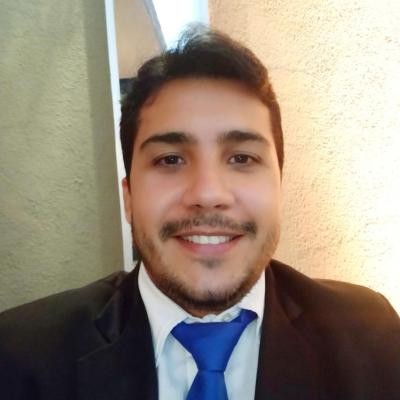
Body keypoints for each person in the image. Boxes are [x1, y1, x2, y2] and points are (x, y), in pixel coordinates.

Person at [1, 25, 399, 400]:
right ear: (128, 196)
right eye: (170, 160)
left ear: (280, 187)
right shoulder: (20, 357)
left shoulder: (373, 338)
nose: (208, 194)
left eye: (242, 158)